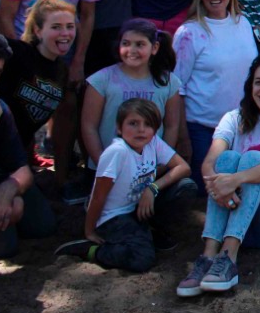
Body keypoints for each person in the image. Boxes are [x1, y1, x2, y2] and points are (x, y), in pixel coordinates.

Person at [176, 54, 260, 296]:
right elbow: (209, 164)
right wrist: (218, 190)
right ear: (250, 86)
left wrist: (235, 180)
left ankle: (228, 257)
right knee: (225, 159)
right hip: (238, 216)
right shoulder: (233, 117)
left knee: (254, 159)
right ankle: (208, 257)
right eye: (259, 82)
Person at [55, 99, 194, 272]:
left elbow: (183, 167)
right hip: (113, 216)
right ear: (119, 128)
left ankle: (154, 232)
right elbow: (98, 196)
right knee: (142, 259)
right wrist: (89, 230)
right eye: (133, 123)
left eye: (148, 124)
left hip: (136, 208)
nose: (141, 129)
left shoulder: (153, 142)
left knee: (185, 187)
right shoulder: (117, 152)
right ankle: (92, 250)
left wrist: (152, 188)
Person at [173, 0, 260, 191]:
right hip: (203, 130)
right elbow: (176, 88)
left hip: (243, 127)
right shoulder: (188, 33)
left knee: (241, 192)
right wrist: (182, 138)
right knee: (206, 195)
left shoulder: (243, 23)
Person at [80, 20, 182, 178]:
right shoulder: (101, 80)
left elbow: (171, 126)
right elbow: (89, 126)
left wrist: (158, 169)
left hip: (151, 172)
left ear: (154, 48)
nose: (131, 50)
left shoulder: (169, 82)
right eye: (126, 43)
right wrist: (103, 167)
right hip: (108, 171)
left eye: (140, 44)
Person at [0, 0, 78, 190]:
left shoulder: (61, 71)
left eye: (70, 26)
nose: (65, 33)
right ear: (38, 31)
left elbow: (30, 119)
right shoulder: (17, 52)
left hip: (14, 160)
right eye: (56, 27)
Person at [0, 32, 56, 259]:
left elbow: (21, 168)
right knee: (4, 247)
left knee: (41, 225)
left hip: (1, 173)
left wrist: (8, 191)